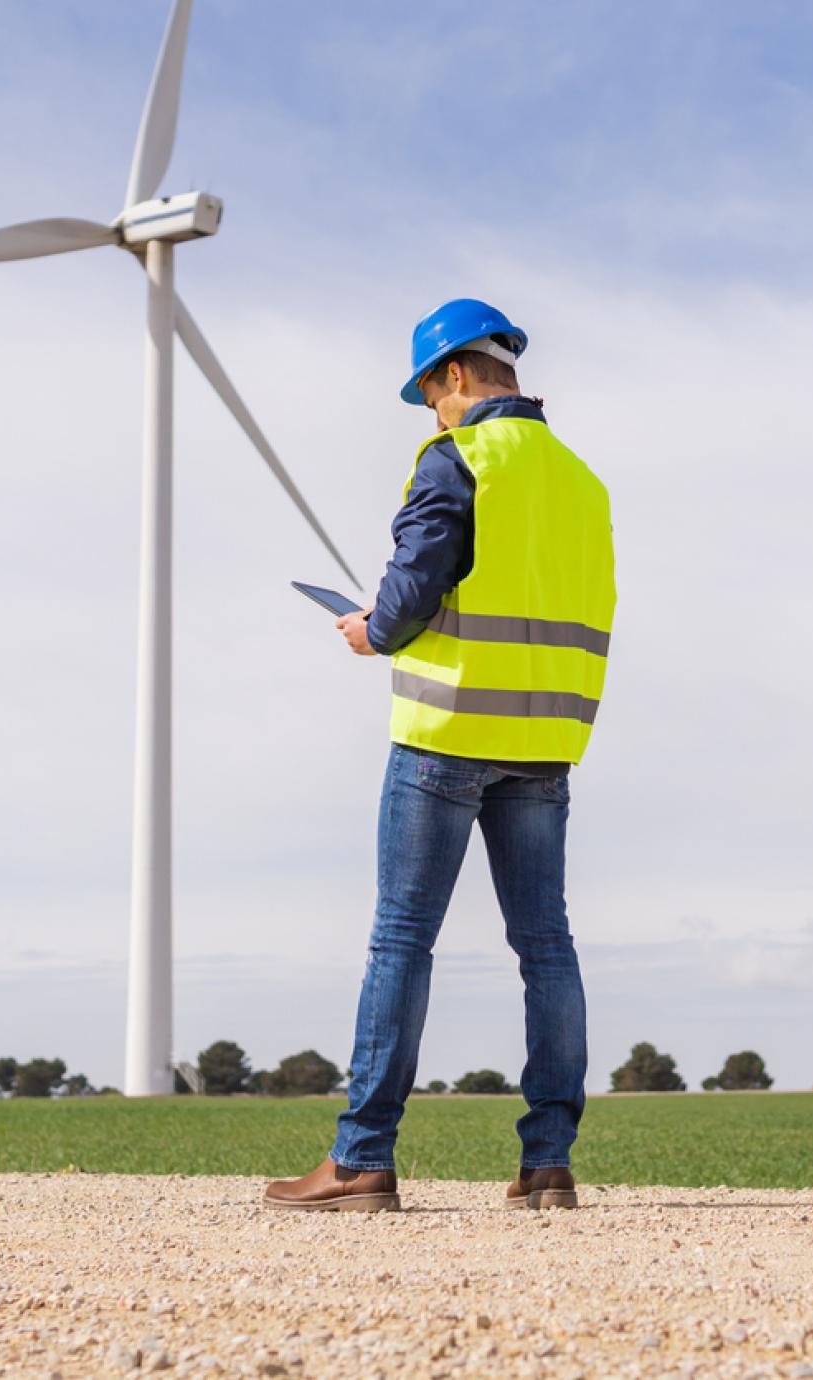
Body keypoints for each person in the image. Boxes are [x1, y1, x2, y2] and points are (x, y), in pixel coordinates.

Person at [264, 299, 616, 1212]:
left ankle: (361, 1159)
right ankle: (548, 1164)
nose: (432, 412)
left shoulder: (456, 459)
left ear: (453, 375)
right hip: (544, 744)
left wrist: (371, 630)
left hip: (447, 733)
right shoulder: (583, 481)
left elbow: (416, 584)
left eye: (429, 393)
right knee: (547, 946)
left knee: (401, 939)